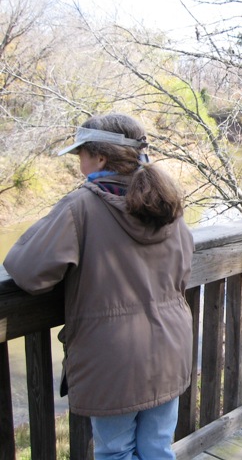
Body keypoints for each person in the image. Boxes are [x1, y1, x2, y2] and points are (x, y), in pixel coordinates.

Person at [4, 114, 194, 459]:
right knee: (157, 448)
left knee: (115, 452)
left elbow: (29, 272)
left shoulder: (83, 206)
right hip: (170, 346)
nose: (79, 162)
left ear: (100, 157)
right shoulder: (169, 205)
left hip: (113, 358)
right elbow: (184, 269)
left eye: (81, 154)